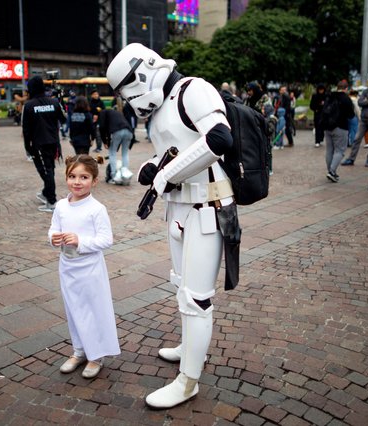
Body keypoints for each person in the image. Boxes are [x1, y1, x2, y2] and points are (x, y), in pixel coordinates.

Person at [108, 43, 239, 408]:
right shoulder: (161, 108)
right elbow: (176, 148)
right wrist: (153, 167)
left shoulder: (194, 89)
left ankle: (188, 382)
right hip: (178, 208)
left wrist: (166, 172)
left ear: (147, 68)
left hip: (208, 207)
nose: (129, 98)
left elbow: (218, 139)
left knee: (196, 298)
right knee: (182, 286)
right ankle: (188, 348)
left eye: (128, 88)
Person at [48, 154, 120, 379]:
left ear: (94, 181)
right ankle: (79, 350)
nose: (77, 182)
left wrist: (81, 241)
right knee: (74, 309)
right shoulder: (61, 206)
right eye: (72, 176)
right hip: (67, 267)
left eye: (84, 177)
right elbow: (52, 229)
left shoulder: (97, 209)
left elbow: (106, 239)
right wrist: (53, 238)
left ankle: (96, 355)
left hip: (90, 270)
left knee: (93, 310)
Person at [22, 76, 66, 212]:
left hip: (38, 145)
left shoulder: (28, 105)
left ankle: (52, 201)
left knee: (46, 172)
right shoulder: (54, 102)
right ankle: (46, 193)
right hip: (53, 142)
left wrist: (27, 147)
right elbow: (63, 120)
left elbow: (26, 130)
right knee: (49, 170)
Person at [342, 71, 368, 167]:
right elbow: (360, 102)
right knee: (356, 139)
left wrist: (367, 102)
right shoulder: (366, 90)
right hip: (363, 119)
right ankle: (351, 159)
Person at [324, 80, 355, 183]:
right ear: (346, 88)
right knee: (340, 151)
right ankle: (332, 172)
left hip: (328, 127)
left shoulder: (330, 96)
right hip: (341, 127)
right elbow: (351, 115)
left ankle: (331, 171)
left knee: (329, 150)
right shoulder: (346, 99)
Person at [99, 107, 134, 185]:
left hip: (117, 131)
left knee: (112, 153)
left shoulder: (102, 113)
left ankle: (114, 176)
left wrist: (105, 141)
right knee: (125, 153)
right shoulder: (117, 113)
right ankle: (125, 175)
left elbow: (102, 127)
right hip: (129, 131)